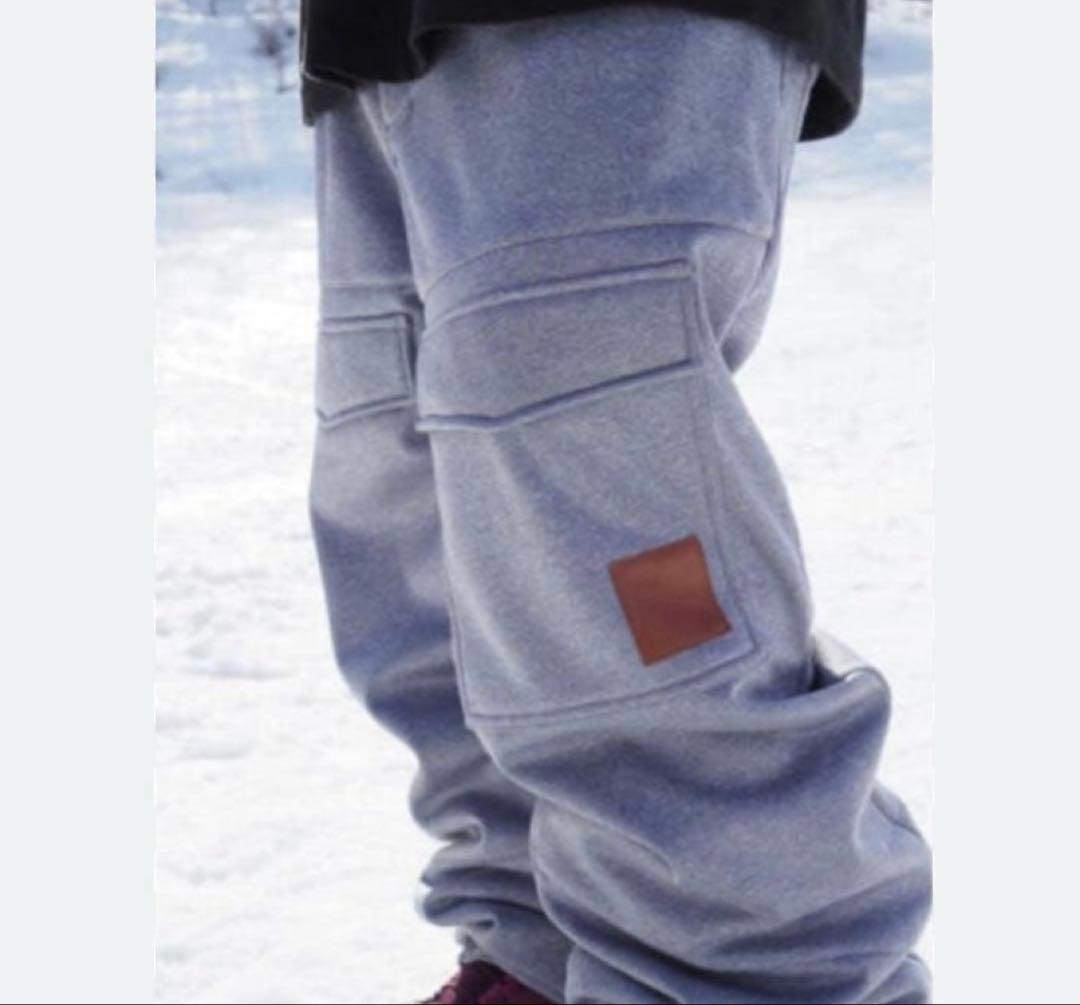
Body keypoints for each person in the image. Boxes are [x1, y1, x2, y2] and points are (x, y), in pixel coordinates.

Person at [300, 2, 932, 1002]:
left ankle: (746, 976)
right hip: (370, 35)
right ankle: (536, 962)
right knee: (414, 512)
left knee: (628, 577)